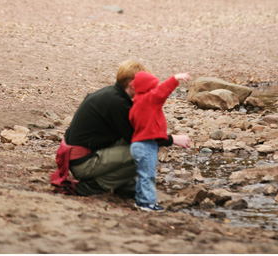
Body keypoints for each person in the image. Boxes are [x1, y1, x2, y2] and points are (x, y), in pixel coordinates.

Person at [51, 60, 191, 198]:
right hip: (83, 164)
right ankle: (93, 186)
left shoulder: (110, 94)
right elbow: (142, 138)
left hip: (77, 156)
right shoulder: (117, 103)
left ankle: (122, 183)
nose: (150, 91)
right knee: (143, 152)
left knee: (133, 145)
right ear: (133, 84)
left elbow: (129, 134)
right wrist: (173, 139)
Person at [128, 70, 191, 212]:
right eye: (153, 86)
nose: (156, 89)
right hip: (146, 144)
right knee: (148, 175)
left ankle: (140, 200)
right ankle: (147, 203)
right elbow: (162, 92)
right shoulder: (149, 99)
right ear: (148, 88)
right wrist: (175, 79)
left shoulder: (136, 104)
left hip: (137, 144)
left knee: (142, 174)